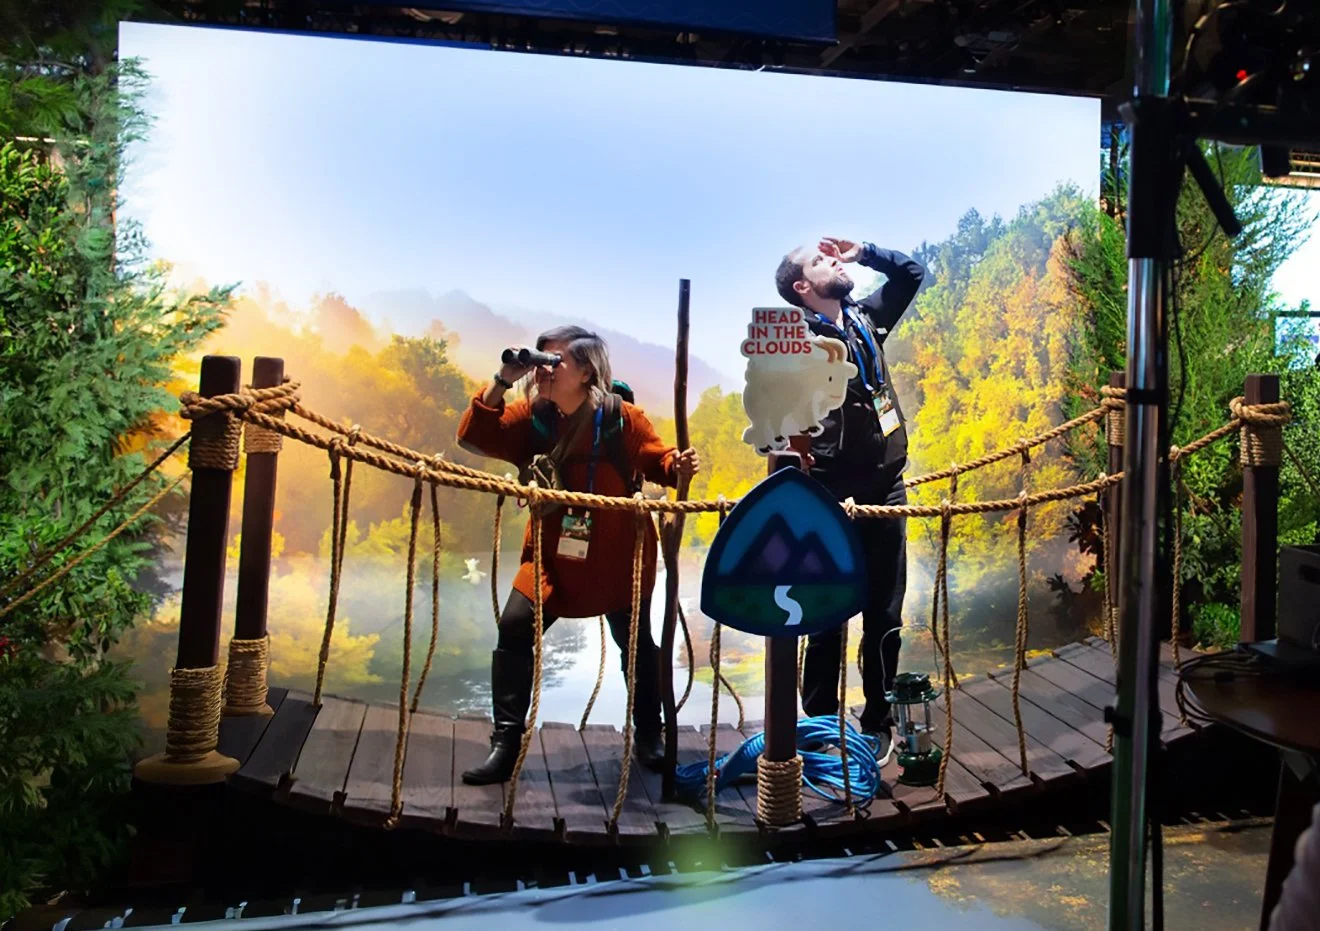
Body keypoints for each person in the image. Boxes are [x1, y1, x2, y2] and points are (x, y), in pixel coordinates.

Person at [455, 325, 700, 785]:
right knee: (513, 628)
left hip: (616, 558)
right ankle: (505, 745)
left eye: (556, 361)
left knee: (636, 647)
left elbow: (659, 461)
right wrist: (504, 379)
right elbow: (474, 435)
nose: (544, 370)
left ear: (586, 370)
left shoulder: (620, 417)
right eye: (539, 360)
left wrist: (677, 466)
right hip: (550, 558)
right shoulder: (533, 418)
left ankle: (650, 735)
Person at [773, 236, 927, 756]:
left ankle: (877, 719)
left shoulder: (865, 319)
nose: (833, 262)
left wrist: (865, 251)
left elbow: (911, 274)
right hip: (827, 493)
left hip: (887, 486)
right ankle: (819, 726)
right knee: (824, 614)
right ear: (802, 287)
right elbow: (775, 423)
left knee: (885, 612)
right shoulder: (792, 343)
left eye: (834, 257)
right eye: (820, 261)